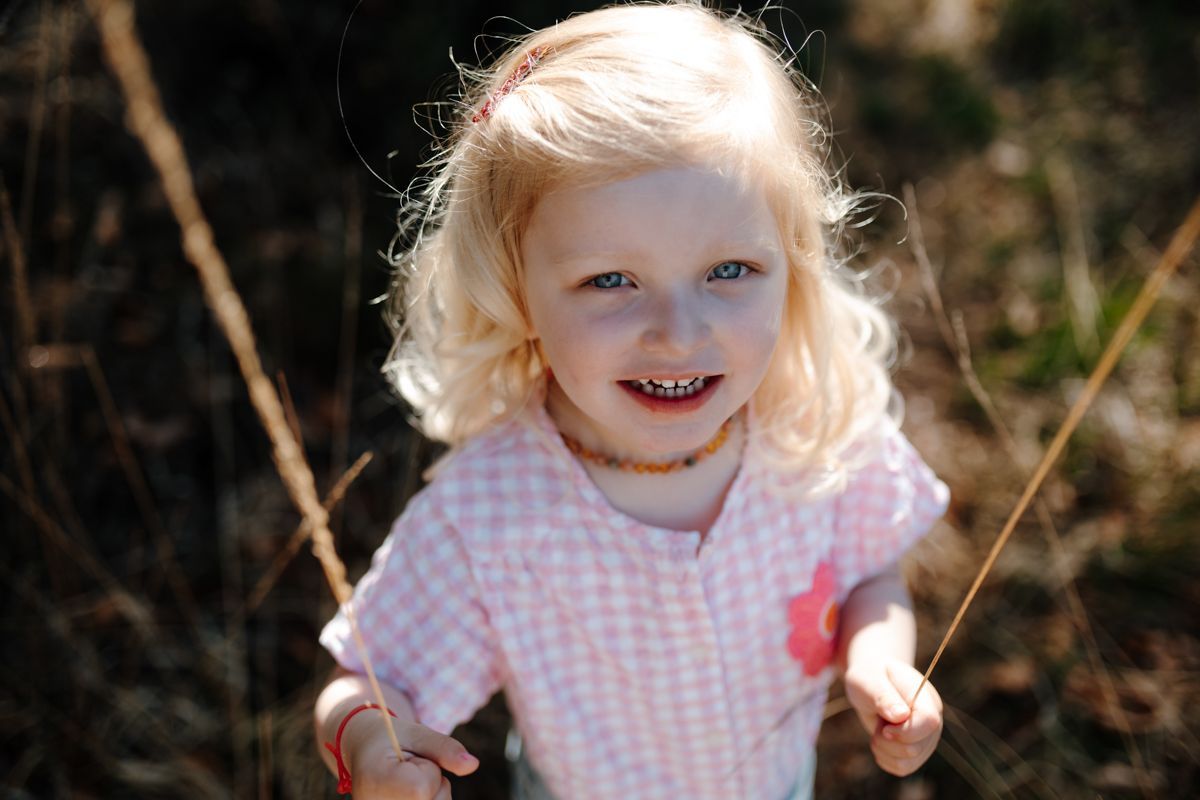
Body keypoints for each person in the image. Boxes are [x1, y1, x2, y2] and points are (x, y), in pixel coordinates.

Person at [314, 3, 950, 798]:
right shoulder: (492, 513)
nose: (679, 334)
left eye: (729, 271)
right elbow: (365, 676)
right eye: (610, 281)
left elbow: (870, 578)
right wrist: (370, 743)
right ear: (517, 293)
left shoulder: (812, 429)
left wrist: (881, 663)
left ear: (791, 266)